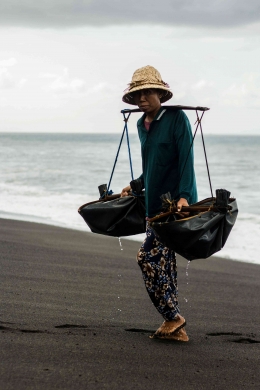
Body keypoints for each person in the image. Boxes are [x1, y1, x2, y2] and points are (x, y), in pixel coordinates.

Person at [121, 65, 198, 341]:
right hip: (153, 207)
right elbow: (153, 163)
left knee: (147, 257)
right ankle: (178, 331)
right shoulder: (142, 125)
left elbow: (185, 160)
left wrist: (186, 196)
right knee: (164, 265)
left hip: (174, 207)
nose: (142, 98)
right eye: (138, 94)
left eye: (148, 92)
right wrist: (137, 184)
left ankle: (173, 317)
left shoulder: (177, 119)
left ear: (160, 93)